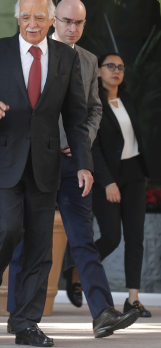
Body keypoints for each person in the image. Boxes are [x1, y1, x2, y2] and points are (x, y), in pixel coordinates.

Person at [0, 0, 97, 347]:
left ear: (51, 19)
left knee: (40, 247)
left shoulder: (66, 60)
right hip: (3, 159)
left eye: (39, 17)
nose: (32, 23)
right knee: (8, 230)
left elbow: (77, 118)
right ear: (17, 17)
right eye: (25, 16)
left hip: (46, 163)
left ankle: (25, 323)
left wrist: (84, 164)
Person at [6, 0, 139, 338]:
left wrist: (80, 141)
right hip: (34, 162)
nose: (72, 29)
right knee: (27, 238)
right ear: (52, 20)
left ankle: (102, 313)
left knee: (83, 240)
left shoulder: (88, 59)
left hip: (71, 163)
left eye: (78, 23)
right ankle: (17, 314)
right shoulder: (30, 52)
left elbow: (94, 109)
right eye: (66, 21)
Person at [92, 53, 151, 317]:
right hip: (109, 177)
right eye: (110, 66)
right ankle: (76, 268)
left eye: (121, 67)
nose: (116, 71)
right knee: (112, 237)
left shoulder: (128, 99)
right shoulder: (93, 102)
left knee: (135, 238)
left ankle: (133, 300)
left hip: (135, 173)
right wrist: (107, 182)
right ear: (98, 71)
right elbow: (93, 148)